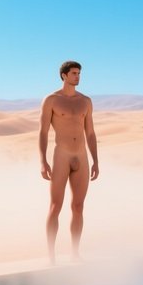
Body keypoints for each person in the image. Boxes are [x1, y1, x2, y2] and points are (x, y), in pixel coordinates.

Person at [39, 61, 99, 264]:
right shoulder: (51, 100)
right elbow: (43, 132)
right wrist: (43, 161)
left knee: (78, 206)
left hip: (81, 156)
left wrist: (96, 161)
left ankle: (75, 253)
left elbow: (90, 133)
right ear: (64, 75)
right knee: (55, 206)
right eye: (74, 73)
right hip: (61, 156)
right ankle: (51, 256)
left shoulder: (86, 101)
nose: (78, 77)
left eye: (79, 73)